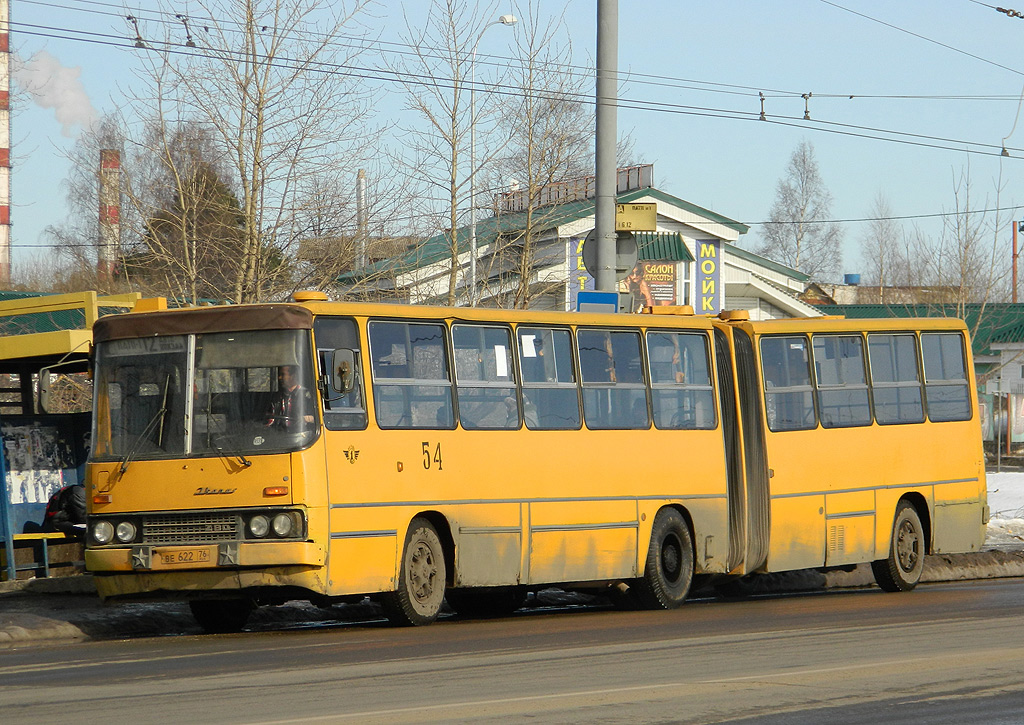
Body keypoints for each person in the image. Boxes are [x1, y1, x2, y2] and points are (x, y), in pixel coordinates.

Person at [266, 365, 315, 431]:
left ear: (293, 376)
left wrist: (307, 419)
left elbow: (316, 418)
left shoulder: (307, 396)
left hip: (302, 435)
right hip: (281, 434)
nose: (279, 378)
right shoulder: (277, 396)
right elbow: (271, 418)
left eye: (283, 374)